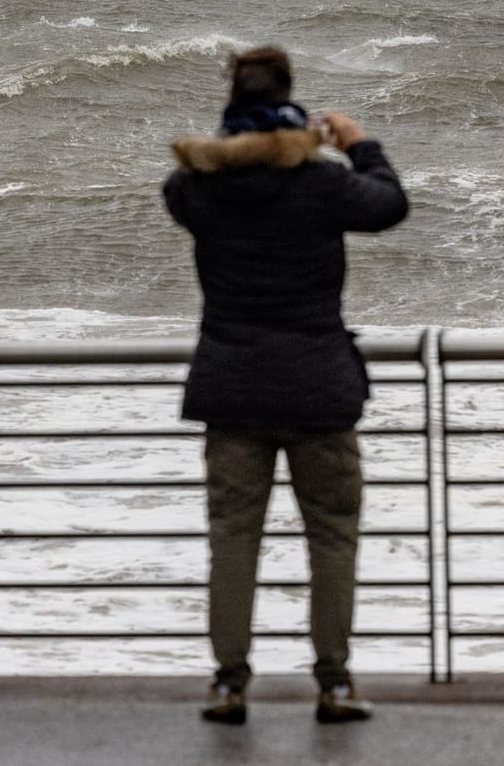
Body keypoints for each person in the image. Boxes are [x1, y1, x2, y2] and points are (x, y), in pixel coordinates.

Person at [161, 47, 409, 727]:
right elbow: (390, 205)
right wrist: (357, 143)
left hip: (233, 392)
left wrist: (241, 142)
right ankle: (333, 682)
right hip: (317, 389)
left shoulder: (199, 190)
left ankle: (229, 684)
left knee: (233, 538)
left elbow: (180, 183)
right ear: (291, 97)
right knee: (331, 537)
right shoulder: (324, 185)